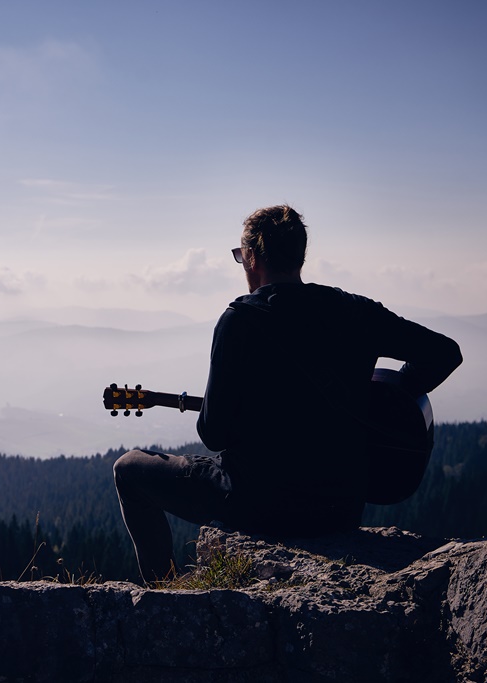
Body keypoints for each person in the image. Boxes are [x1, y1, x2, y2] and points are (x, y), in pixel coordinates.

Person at [113, 204, 462, 583]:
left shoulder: (240, 321)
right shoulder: (354, 310)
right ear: (300, 255)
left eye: (240, 257)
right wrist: (386, 393)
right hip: (340, 508)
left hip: (257, 505)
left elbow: (213, 435)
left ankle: (162, 591)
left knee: (129, 469)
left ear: (251, 257)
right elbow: (445, 353)